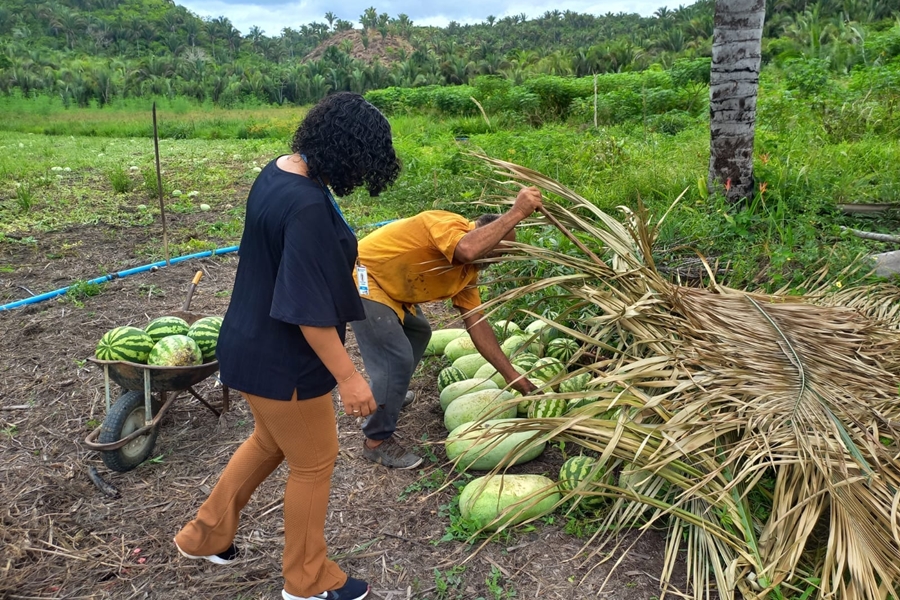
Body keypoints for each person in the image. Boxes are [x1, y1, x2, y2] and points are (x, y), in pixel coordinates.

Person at [173, 92, 401, 600]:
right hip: (286, 362)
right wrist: (350, 377)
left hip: (246, 343)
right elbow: (309, 315)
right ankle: (307, 580)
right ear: (348, 153)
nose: (363, 177)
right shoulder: (306, 208)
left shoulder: (277, 172)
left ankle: (203, 535)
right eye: (364, 164)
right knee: (315, 462)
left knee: (269, 443)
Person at [350, 188, 544, 469]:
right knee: (396, 357)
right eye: (494, 253)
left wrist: (514, 377)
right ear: (482, 233)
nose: (493, 263)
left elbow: (478, 326)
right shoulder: (443, 223)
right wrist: (516, 212)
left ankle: (390, 393)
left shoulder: (470, 271)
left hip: (393, 290)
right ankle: (376, 442)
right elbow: (466, 249)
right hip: (365, 277)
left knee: (419, 333)